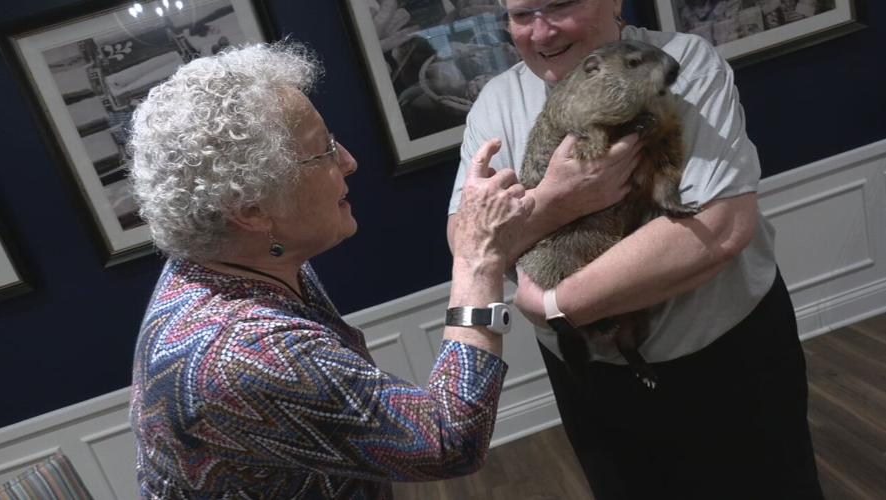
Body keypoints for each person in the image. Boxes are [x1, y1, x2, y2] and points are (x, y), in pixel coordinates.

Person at [446, 0, 824, 498]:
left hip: (726, 356)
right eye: (521, 15)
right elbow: (468, 243)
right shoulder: (497, 103)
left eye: (560, 5)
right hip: (593, 378)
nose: (541, 32)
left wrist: (556, 305)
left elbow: (719, 226)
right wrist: (559, 199)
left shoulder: (680, 61)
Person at [128, 41, 534, 498]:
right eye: (322, 152)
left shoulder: (232, 263)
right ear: (250, 208)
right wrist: (477, 259)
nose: (348, 161)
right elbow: (446, 440)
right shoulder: (241, 352)